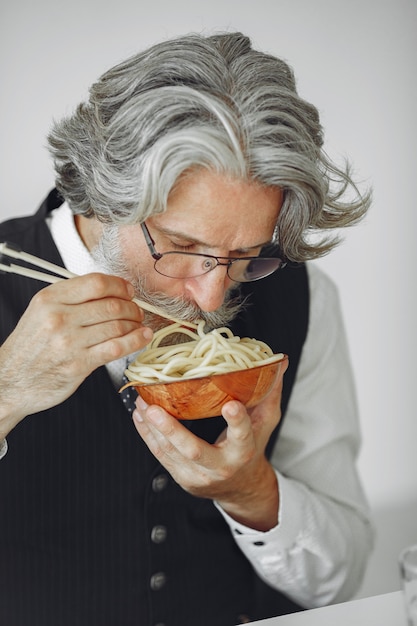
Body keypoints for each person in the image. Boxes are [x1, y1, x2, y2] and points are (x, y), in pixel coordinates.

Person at [0, 31, 374, 626]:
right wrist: (6, 390)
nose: (210, 296)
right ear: (102, 192)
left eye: (248, 254)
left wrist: (252, 491)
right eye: (180, 246)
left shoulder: (302, 298)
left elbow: (342, 574)